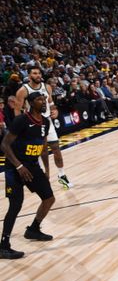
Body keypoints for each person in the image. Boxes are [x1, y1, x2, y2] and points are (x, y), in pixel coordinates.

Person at [1, 91, 56, 259]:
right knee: (15, 205)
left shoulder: (45, 122)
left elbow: (44, 147)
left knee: (49, 198)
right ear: (31, 103)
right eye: (40, 99)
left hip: (33, 167)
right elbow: (4, 145)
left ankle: (33, 229)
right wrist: (18, 166)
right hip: (14, 168)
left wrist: (46, 170)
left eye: (44, 99)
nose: (44, 101)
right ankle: (3, 245)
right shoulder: (21, 121)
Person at [15, 65, 73, 189]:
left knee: (56, 148)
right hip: (33, 123)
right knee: (41, 151)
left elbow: (51, 103)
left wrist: (55, 111)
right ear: (29, 75)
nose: (38, 76)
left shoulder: (47, 87)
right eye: (35, 73)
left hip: (47, 122)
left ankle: (62, 176)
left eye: (39, 73)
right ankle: (43, 177)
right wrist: (20, 127)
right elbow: (17, 110)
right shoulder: (23, 90)